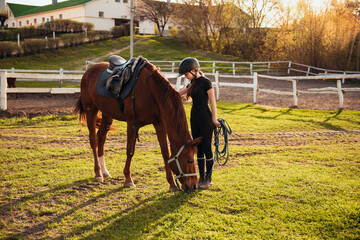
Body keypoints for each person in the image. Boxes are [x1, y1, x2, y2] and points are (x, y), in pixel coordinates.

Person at [177, 57, 220, 189]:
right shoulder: (192, 83)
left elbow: (213, 102)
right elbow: (179, 94)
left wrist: (214, 119)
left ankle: (209, 179)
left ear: (193, 70)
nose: (186, 76)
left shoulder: (206, 82)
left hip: (206, 119)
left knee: (207, 148)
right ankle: (201, 177)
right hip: (194, 118)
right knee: (198, 149)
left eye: (186, 74)